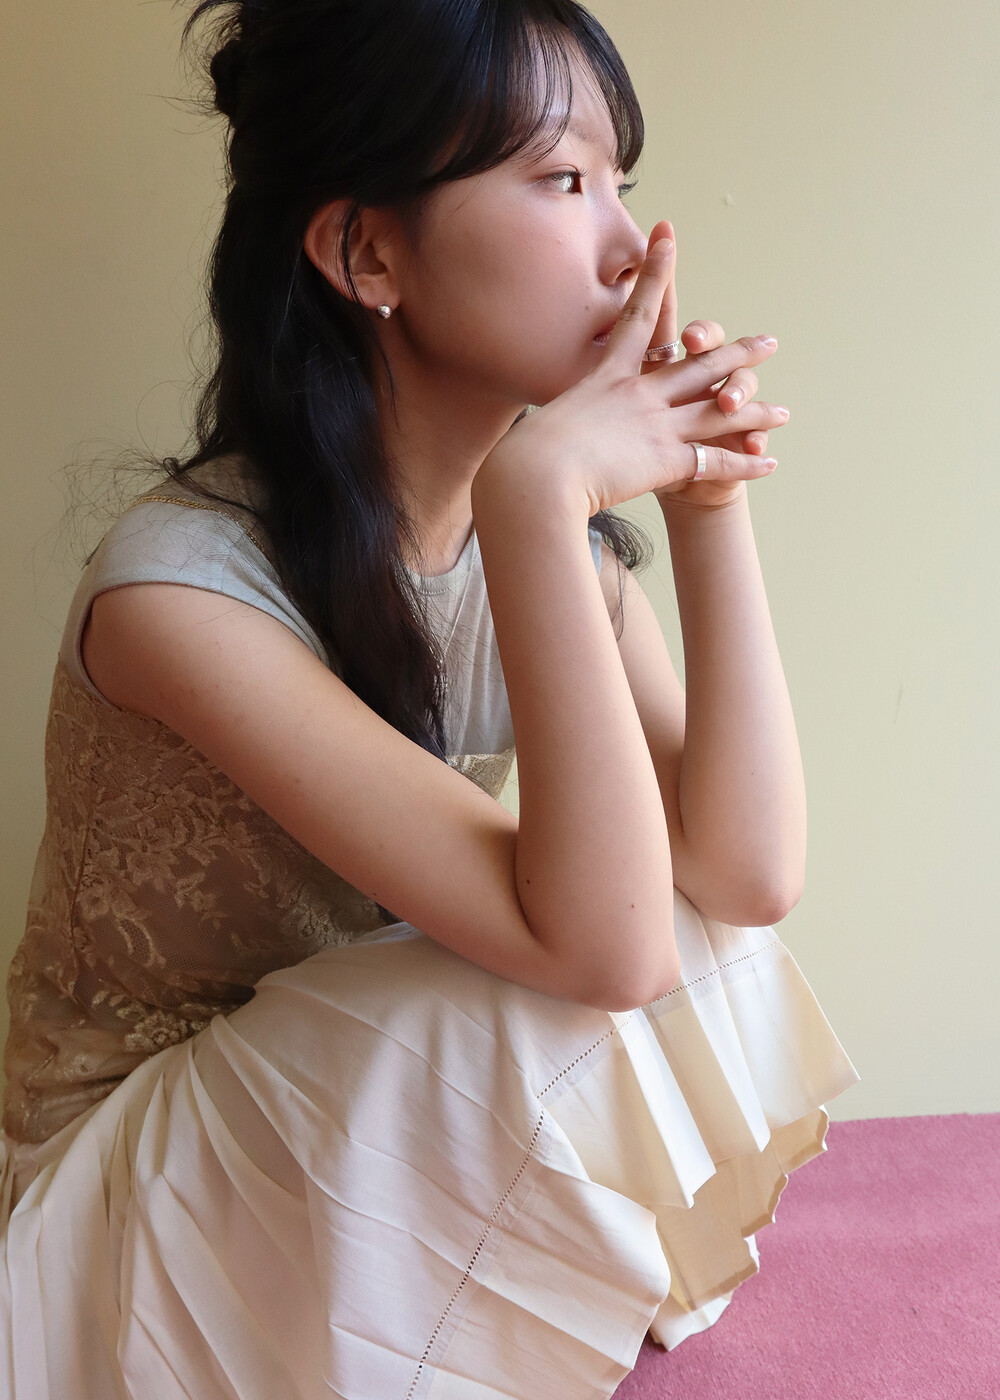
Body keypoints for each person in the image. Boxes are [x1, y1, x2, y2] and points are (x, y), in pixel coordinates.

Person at [0, 0, 860, 1395]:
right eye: (562, 180)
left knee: (697, 937)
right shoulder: (178, 594)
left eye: (622, 179)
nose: (630, 246)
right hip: (111, 1215)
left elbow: (745, 879)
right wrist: (539, 491)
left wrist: (709, 507)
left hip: (333, 1139)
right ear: (366, 253)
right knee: (553, 984)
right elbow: (604, 955)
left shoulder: (545, 543)